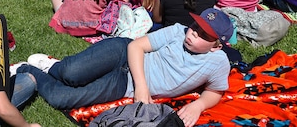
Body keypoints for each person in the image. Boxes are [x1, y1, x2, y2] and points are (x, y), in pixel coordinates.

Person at [18, 8, 233, 127]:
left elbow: (215, 90)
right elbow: (136, 46)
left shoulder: (218, 62)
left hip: (123, 83)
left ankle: (29, 71)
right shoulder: (178, 31)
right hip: (122, 53)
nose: (193, 33)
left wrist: (199, 106)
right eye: (195, 27)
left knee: (61, 99)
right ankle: (53, 66)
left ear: (216, 46)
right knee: (70, 73)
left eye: (203, 34)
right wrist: (142, 87)